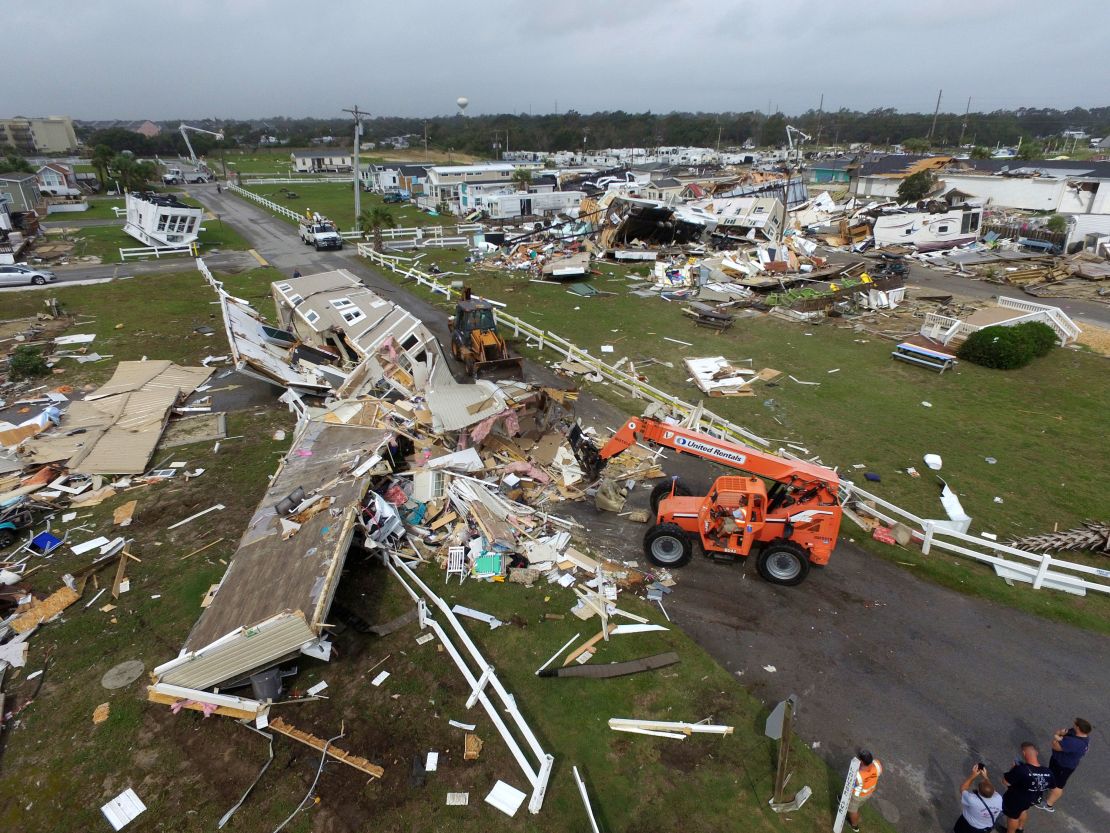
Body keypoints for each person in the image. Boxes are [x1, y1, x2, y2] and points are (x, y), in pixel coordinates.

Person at [1040, 717, 1092, 813]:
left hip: (1064, 765)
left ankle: (1048, 805)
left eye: (1075, 725)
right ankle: (1047, 786)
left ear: (1078, 728)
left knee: (1059, 786)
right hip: (1058, 760)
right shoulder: (1077, 734)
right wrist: (1060, 735)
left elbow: (1055, 746)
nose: (1073, 726)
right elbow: (1063, 733)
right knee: (1051, 775)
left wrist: (1057, 736)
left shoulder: (1075, 743)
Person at [1002, 742, 1053, 833]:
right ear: (1036, 753)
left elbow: (1006, 782)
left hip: (1017, 799)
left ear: (1024, 753)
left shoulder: (1021, 770)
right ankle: (1020, 829)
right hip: (1032, 798)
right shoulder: (1048, 771)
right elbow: (1052, 786)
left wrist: (1013, 768)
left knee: (1013, 816)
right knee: (1023, 810)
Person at [954, 764, 1003, 833]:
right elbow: (991, 789)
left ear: (979, 791)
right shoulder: (999, 798)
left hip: (967, 825)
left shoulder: (972, 800)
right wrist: (985, 777)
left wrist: (973, 775)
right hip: (983, 829)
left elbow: (963, 788)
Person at [847, 749, 882, 832]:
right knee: (858, 805)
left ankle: (854, 826)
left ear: (862, 762)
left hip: (857, 796)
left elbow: (850, 785)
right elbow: (878, 773)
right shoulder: (877, 764)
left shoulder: (858, 776)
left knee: (852, 810)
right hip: (869, 792)